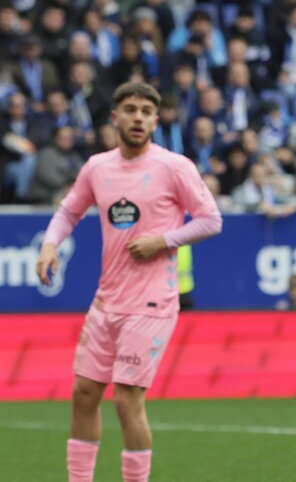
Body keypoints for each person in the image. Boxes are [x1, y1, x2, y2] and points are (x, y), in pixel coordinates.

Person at [35, 82, 223, 482]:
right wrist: (50, 245)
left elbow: (211, 219)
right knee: (83, 394)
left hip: (153, 302)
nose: (138, 117)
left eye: (146, 111)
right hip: (107, 301)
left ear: (155, 120)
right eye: (131, 109)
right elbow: (68, 211)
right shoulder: (97, 167)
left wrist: (164, 240)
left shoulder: (174, 167)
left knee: (125, 400)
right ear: (115, 117)